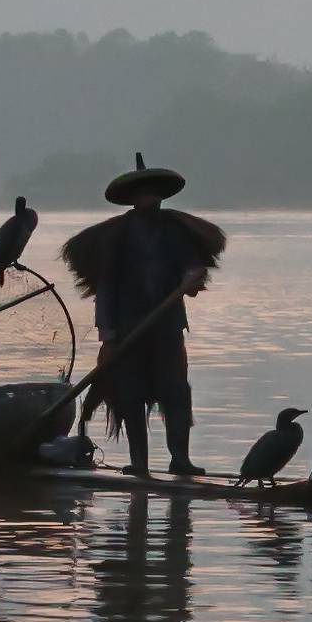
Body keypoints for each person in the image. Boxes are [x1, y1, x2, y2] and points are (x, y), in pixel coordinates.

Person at [59, 153, 227, 475]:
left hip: (167, 327)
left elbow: (192, 272)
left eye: (154, 193)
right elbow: (105, 289)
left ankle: (181, 460)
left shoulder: (177, 231)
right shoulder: (116, 236)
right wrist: (107, 336)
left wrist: (193, 277)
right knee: (130, 395)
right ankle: (140, 465)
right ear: (134, 199)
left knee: (176, 391)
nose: (150, 198)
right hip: (127, 328)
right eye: (143, 193)